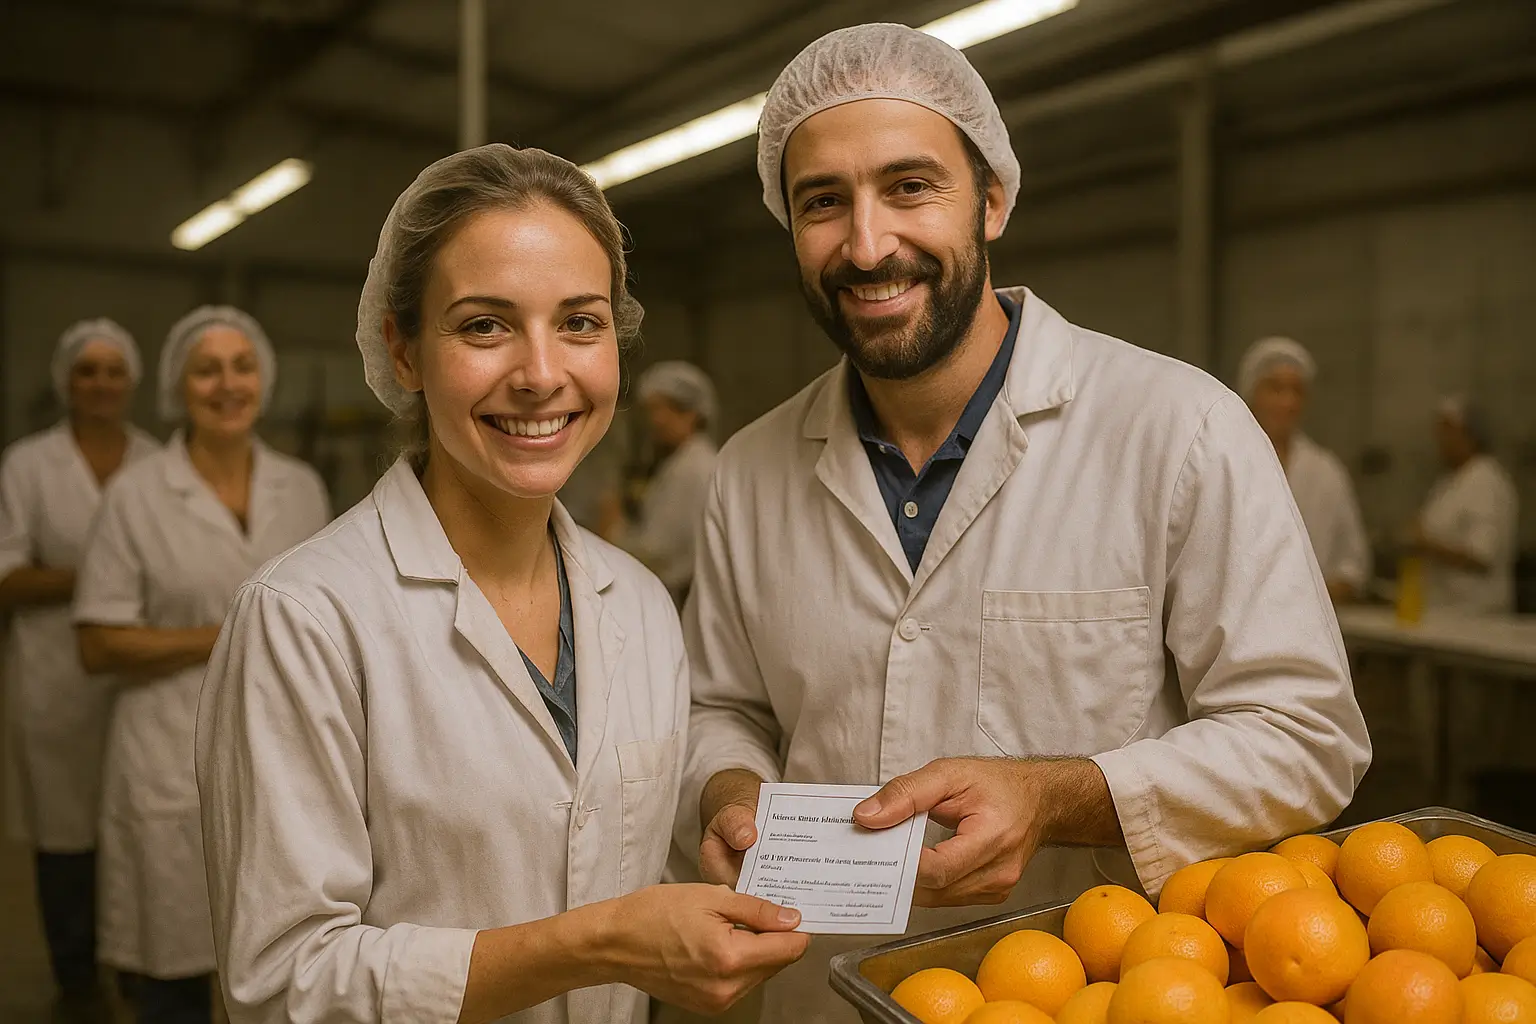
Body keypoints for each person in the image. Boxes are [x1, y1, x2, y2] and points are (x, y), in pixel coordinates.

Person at [680, 24, 1372, 1023]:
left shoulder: (1177, 429)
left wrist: (1055, 795)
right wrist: (727, 786)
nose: (867, 245)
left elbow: (1306, 737)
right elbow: (721, 704)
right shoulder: (748, 472)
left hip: (1086, 992)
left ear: (994, 198)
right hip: (821, 986)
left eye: (910, 186)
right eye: (822, 201)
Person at [194, 144, 807, 1024]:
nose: (542, 375)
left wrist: (723, 808)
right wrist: (594, 945)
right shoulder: (305, 620)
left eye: (580, 322)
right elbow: (281, 982)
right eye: (485, 326)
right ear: (404, 351)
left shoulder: (637, 603)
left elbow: (620, 833)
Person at [73, 305, 331, 1024]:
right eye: (207, 370)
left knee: (290, 963)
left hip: (285, 753)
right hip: (168, 753)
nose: (227, 385)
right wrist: (228, 635)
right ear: (177, 387)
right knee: (174, 976)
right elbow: (97, 642)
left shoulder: (301, 488)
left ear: (263, 380)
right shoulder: (134, 495)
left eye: (242, 367)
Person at [0, 318, 159, 1016]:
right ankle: (76, 978)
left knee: (141, 825)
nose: (101, 384)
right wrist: (99, 577)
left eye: (113, 371)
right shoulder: (27, 466)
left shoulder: (158, 463)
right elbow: (6, 576)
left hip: (141, 673)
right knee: (66, 835)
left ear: (133, 382)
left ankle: (139, 963)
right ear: (65, 382)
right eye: (87, 371)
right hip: (54, 678)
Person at [1238, 336, 1371, 602]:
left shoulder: (1326, 471)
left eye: (1297, 391)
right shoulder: (1227, 460)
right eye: (1275, 388)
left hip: (1310, 621)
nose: (1288, 402)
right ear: (1250, 393)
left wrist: (1309, 599)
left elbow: (1353, 562)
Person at [600, 360, 719, 604]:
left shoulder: (693, 469)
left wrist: (611, 531)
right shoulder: (679, 462)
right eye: (651, 411)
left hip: (675, 597)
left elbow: (656, 550)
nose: (655, 420)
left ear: (690, 413)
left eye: (662, 410)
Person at [1404, 395, 1518, 614]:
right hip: (1442, 610)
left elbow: (1481, 556)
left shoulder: (1486, 481)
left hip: (1476, 615)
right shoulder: (1450, 481)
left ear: (1470, 435)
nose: (1439, 439)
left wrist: (1426, 544)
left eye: (1448, 431)